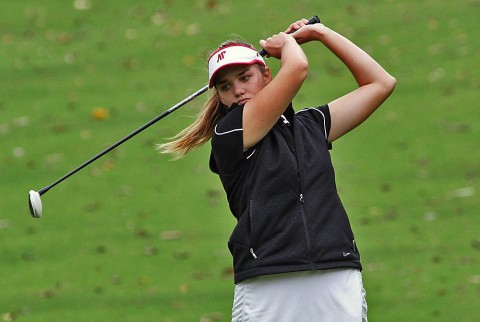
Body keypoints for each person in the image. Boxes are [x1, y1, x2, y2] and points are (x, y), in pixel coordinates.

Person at [158, 18, 396, 321]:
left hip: (335, 272)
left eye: (245, 77)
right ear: (218, 95)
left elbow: (380, 83)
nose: (238, 91)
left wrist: (322, 34)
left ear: (266, 75)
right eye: (226, 86)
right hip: (269, 280)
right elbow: (297, 69)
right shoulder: (230, 132)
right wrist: (288, 44)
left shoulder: (311, 126)